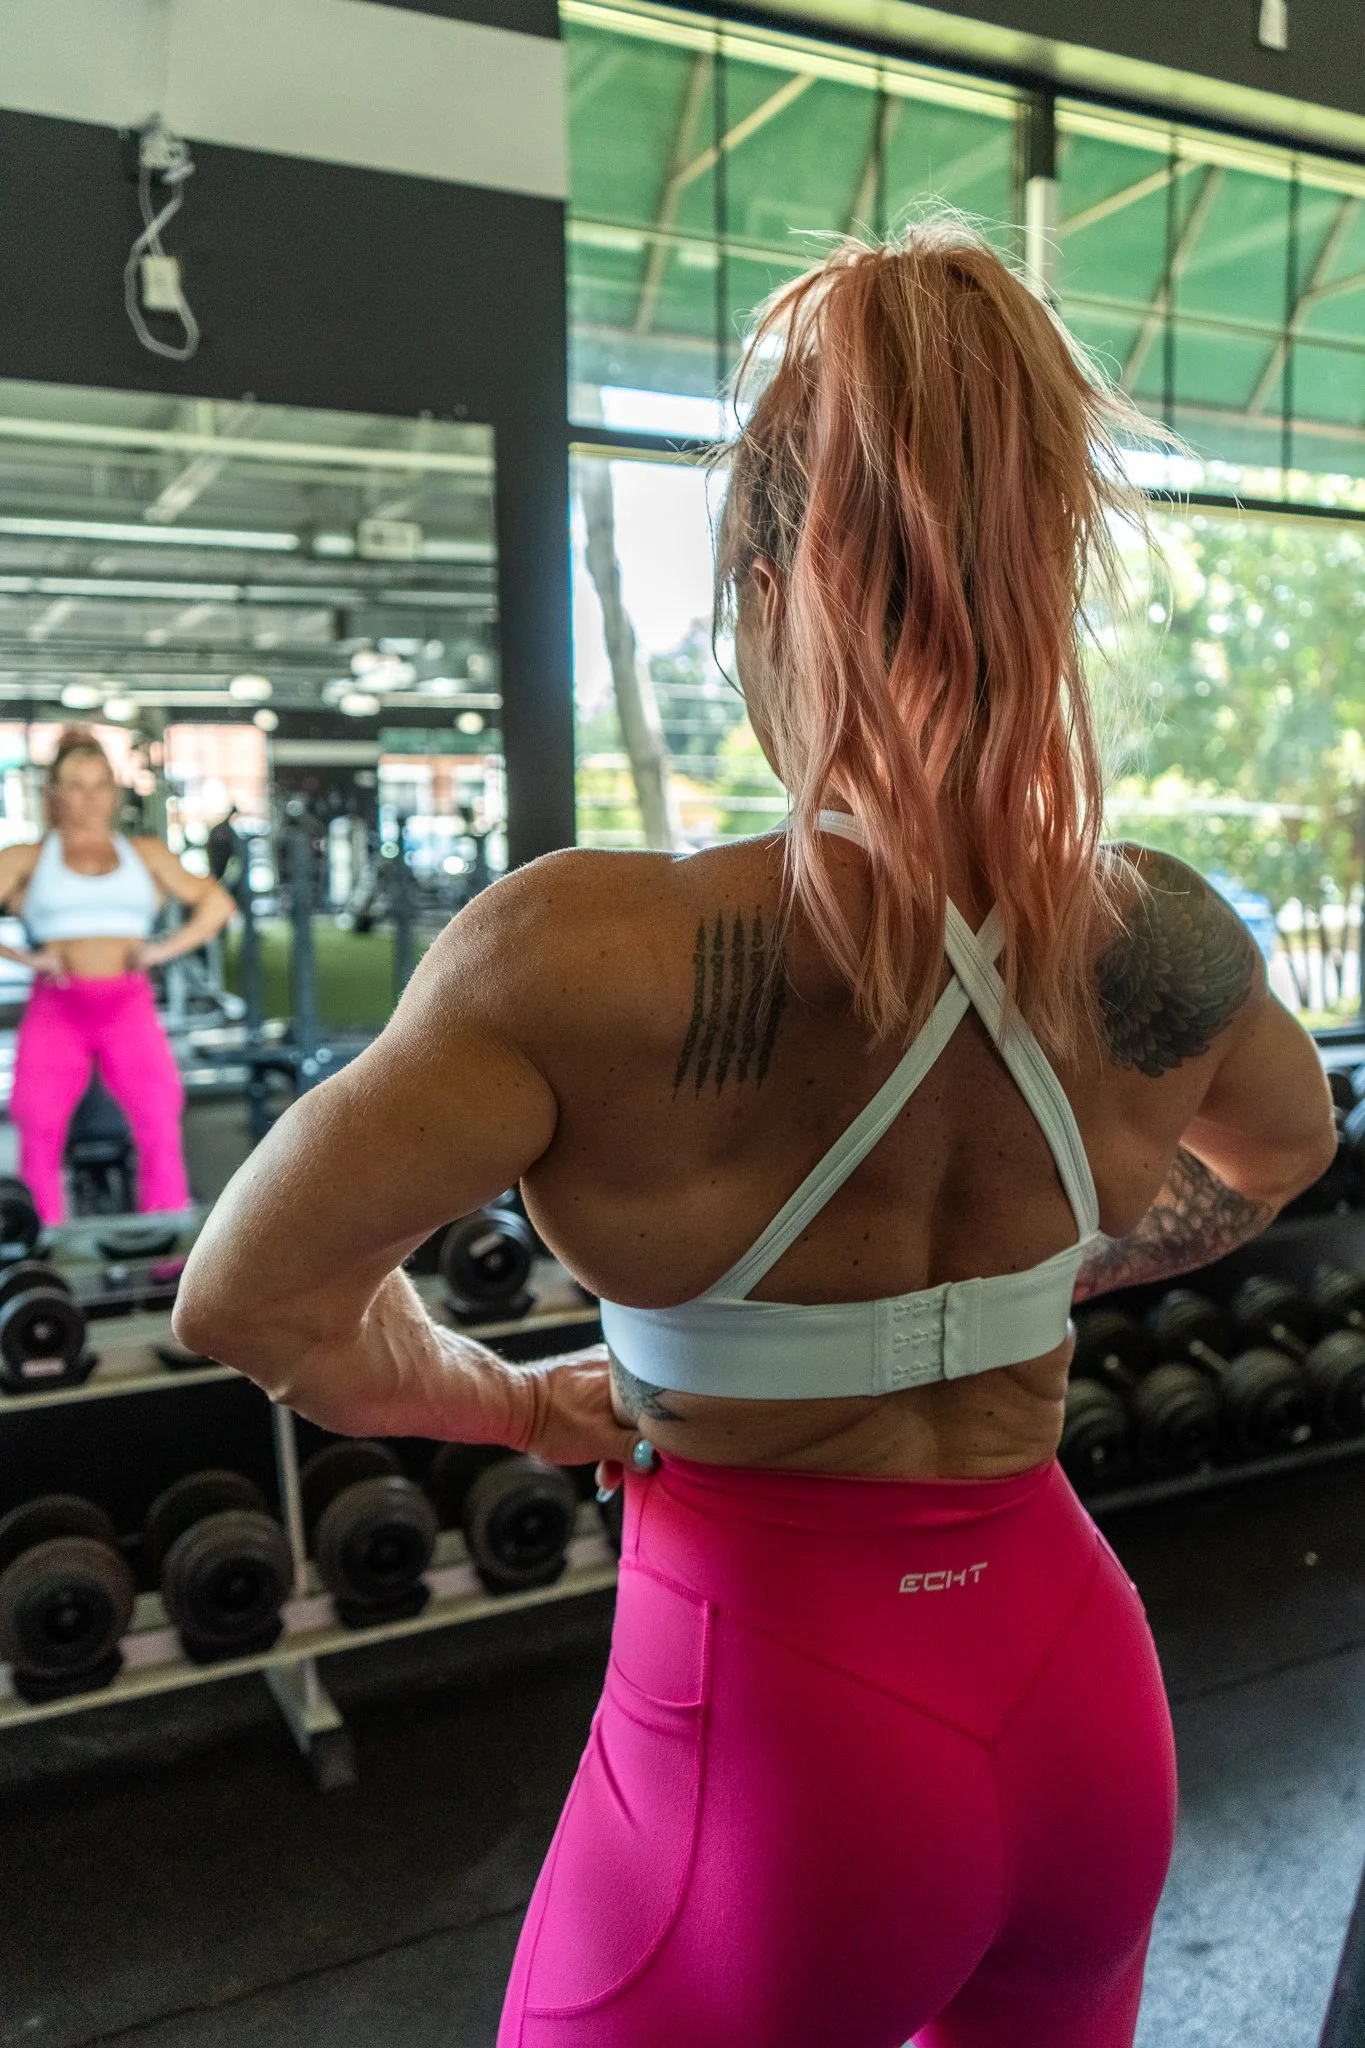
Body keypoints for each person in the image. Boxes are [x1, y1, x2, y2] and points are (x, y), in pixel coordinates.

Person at [175, 224, 1336, 2048]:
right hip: (1079, 1702)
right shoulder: (1158, 935)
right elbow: (1286, 1145)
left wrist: (520, 1401)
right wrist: (1052, 1270)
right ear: (1043, 568)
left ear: (770, 575)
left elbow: (254, 1300)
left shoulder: (585, 953)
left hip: (787, 1753)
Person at [0, 728, 235, 1223]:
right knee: (37, 1125)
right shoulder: (27, 856)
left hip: (127, 1002)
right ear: (55, 793)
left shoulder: (144, 853)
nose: (89, 796)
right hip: (57, 1005)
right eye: (76, 784)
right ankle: (41, 1255)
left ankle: (168, 1258)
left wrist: (161, 950)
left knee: (159, 1120)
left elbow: (216, 903)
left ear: (114, 790)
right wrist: (27, 960)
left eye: (99, 783)